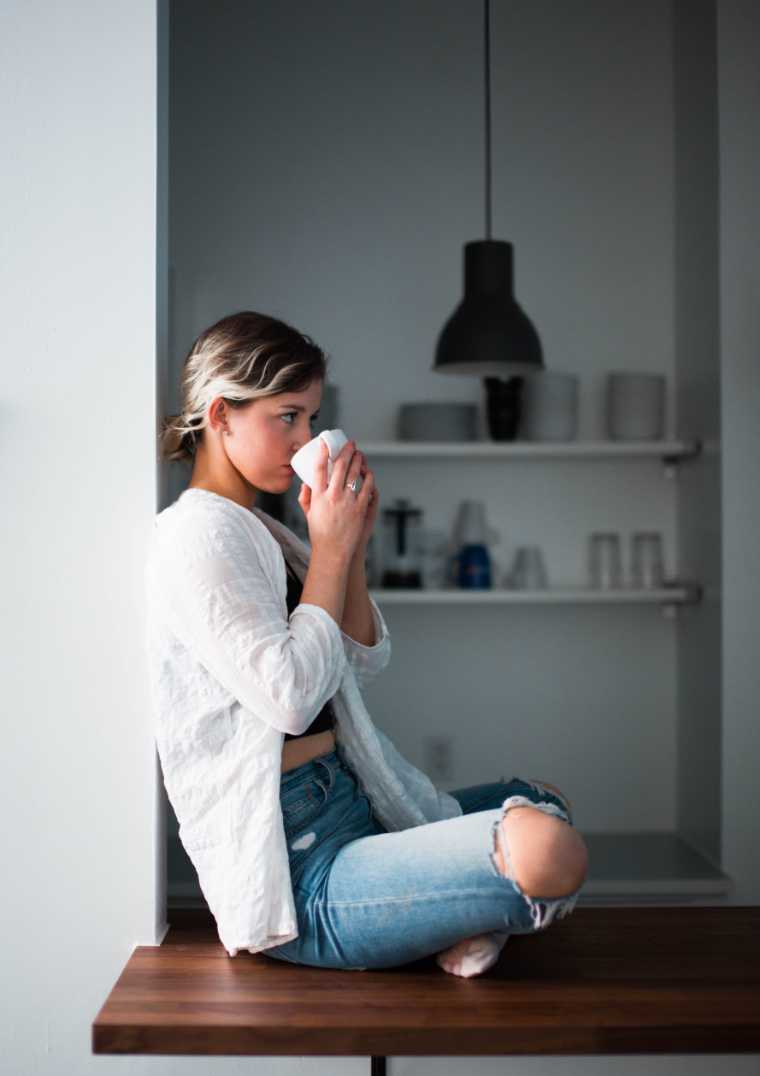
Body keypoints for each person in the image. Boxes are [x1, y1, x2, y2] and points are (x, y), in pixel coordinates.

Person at [146, 310, 589, 976]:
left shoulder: (264, 531)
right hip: (304, 869)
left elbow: (360, 658)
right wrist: (328, 546)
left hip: (351, 799)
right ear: (222, 415)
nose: (306, 436)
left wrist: (347, 546)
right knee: (550, 848)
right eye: (287, 416)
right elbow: (292, 698)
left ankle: (453, 910)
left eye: (312, 418)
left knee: (541, 795)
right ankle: (459, 911)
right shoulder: (195, 535)